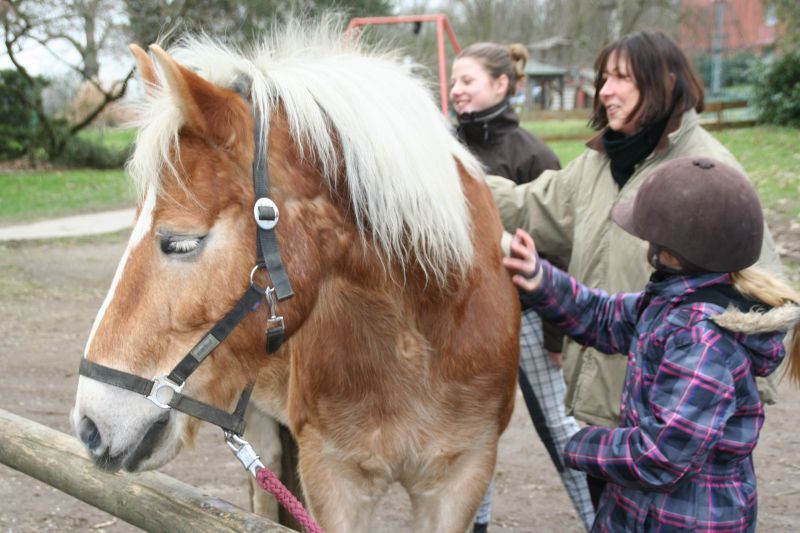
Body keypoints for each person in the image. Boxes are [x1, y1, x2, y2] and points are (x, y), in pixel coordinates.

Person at [486, 30, 784, 508]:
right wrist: (457, 181)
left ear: (665, 82)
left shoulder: (708, 174)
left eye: (621, 77)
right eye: (604, 77)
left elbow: (759, 298)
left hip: (675, 416)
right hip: (612, 411)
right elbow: (533, 210)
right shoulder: (600, 162)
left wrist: (725, 403)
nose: (605, 90)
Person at [503, 156, 800, 531]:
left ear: (672, 253)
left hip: (685, 520)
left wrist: (581, 444)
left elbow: (660, 456)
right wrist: (542, 279)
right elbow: (605, 317)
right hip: (641, 510)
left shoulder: (702, 339)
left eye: (650, 239)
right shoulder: (675, 300)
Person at [450, 42, 595, 531]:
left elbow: (559, 253)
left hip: (530, 321)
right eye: (453, 82)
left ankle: (602, 520)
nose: (456, 91)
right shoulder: (442, 150)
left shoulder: (533, 155)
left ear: (501, 84)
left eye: (467, 81)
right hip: (465, 326)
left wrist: (557, 338)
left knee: (561, 428)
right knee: (474, 432)